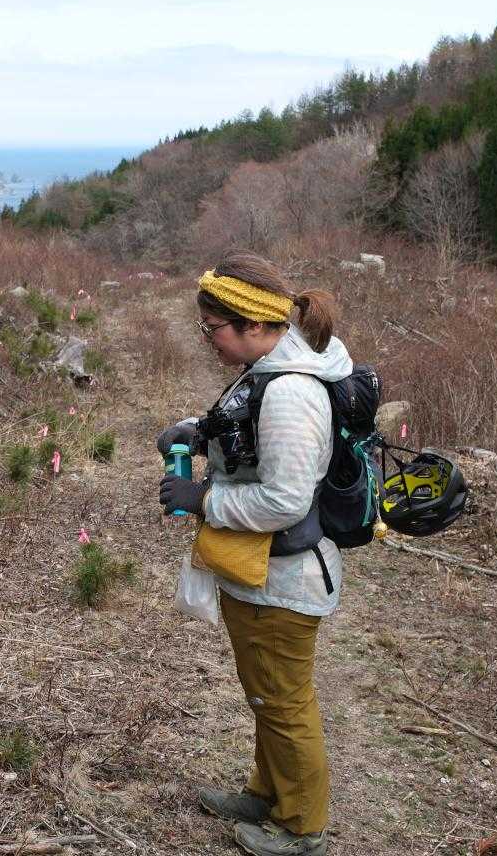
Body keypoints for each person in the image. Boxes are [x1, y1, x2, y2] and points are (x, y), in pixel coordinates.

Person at [158, 253, 350, 856]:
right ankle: (267, 794)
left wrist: (205, 500)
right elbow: (249, 432)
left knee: (285, 702)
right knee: (265, 692)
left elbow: (286, 499)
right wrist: (198, 432)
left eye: (212, 327)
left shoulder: (292, 391)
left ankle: (302, 827)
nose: (208, 338)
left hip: (284, 580)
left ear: (254, 323)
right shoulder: (267, 368)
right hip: (260, 572)